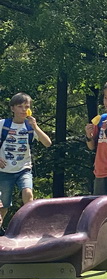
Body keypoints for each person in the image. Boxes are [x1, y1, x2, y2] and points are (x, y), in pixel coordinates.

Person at [0, 93, 52, 231]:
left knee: (28, 193)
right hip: (5, 171)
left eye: (26, 107)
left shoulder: (30, 127)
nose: (23, 109)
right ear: (12, 108)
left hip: (24, 168)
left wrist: (35, 127)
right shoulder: (3, 124)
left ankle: (29, 225)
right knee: (3, 205)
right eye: (20, 106)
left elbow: (48, 143)